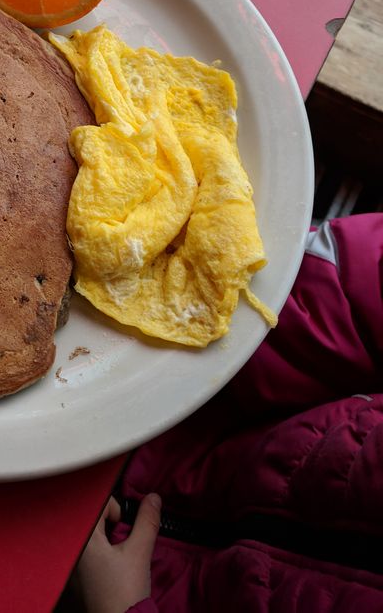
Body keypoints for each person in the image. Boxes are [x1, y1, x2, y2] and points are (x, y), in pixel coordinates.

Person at [72, 213, 383, 612]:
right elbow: (355, 288)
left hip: (117, 590)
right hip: (190, 397)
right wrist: (222, 336)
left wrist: (120, 608)